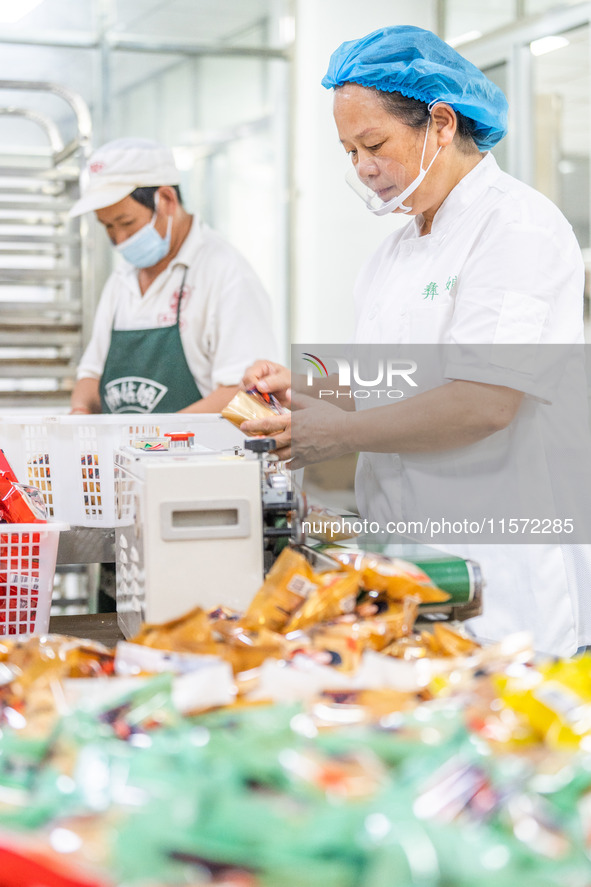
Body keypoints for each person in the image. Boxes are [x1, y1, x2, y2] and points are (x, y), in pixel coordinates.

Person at [240, 25, 591, 658]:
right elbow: (404, 377)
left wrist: (336, 433)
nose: (363, 167)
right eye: (349, 152)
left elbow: (486, 400)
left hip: (499, 567)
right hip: (407, 559)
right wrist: (311, 388)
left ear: (441, 122)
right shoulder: (396, 251)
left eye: (373, 143)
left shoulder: (517, 228)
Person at [69, 137, 278, 415]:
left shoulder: (225, 273)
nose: (119, 240)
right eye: (107, 226)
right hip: (128, 456)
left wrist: (155, 440)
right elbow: (92, 375)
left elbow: (249, 396)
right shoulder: (121, 279)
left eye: (127, 223)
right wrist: (80, 411)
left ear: (166, 199)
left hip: (201, 455)